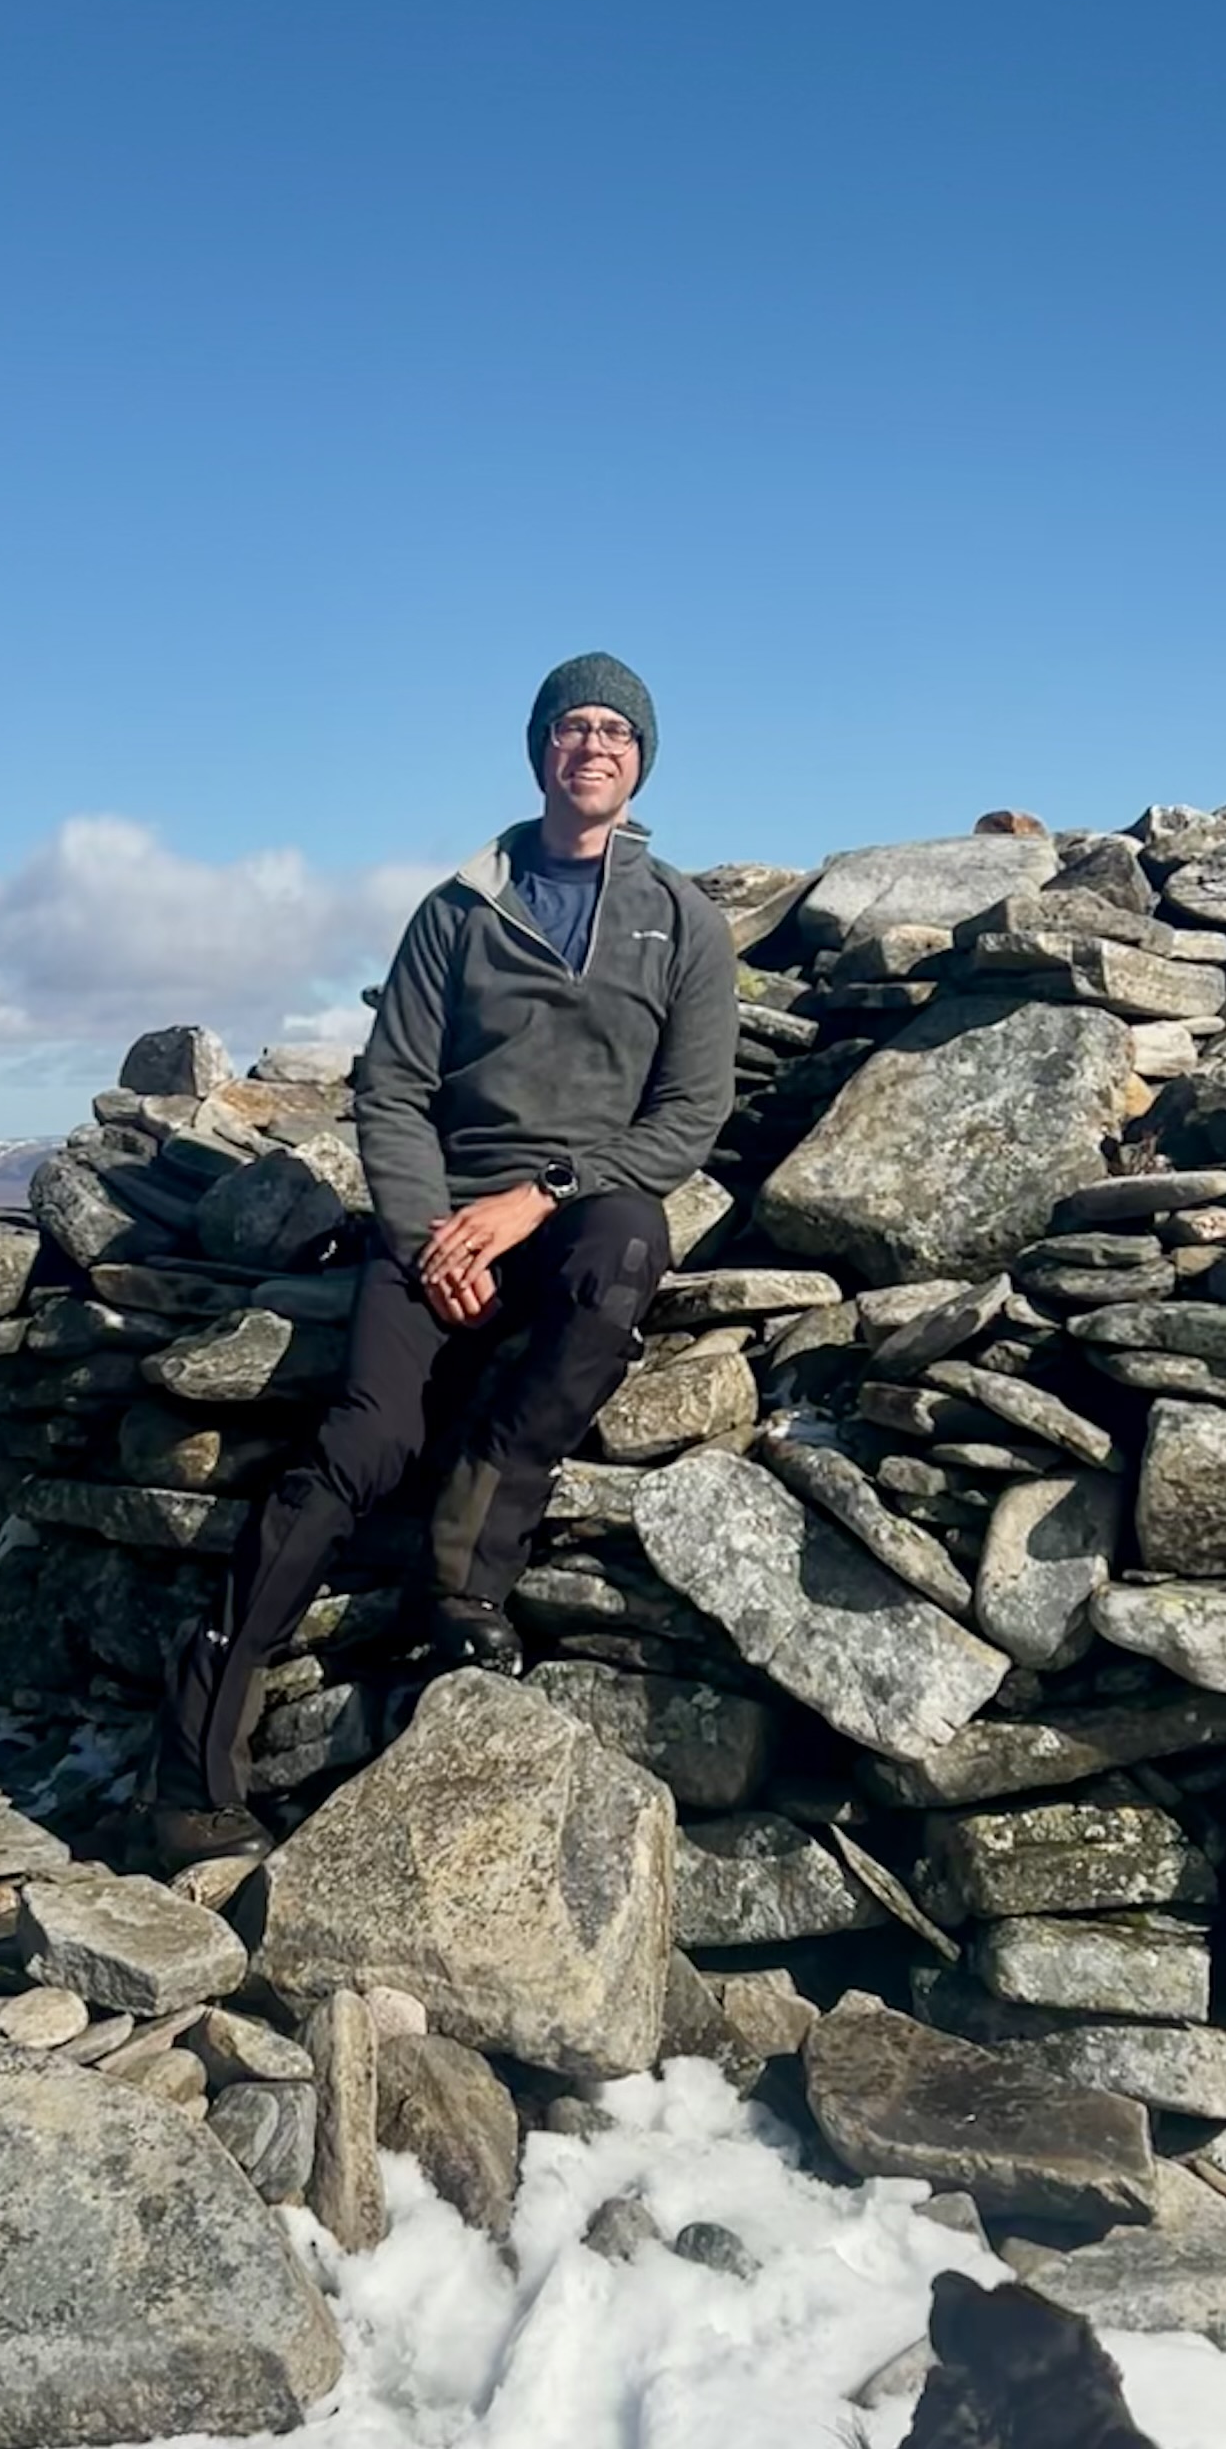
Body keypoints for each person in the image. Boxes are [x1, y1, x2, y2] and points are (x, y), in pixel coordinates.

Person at [170, 651, 737, 1817]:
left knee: (626, 1248)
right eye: (572, 727)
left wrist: (539, 1196)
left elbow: (690, 1112)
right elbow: (394, 1091)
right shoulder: (457, 913)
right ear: (540, 753)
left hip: (574, 1210)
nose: (594, 746)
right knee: (362, 1446)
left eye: (616, 733)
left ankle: (465, 1575)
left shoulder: (681, 921)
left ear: (641, 762)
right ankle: (193, 1764)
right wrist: (435, 1232)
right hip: (439, 1219)